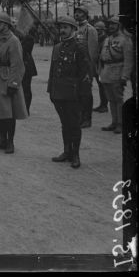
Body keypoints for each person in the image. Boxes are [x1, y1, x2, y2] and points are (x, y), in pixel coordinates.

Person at [0, 12, 28, 154]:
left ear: (7, 25)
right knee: (1, 112)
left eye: (0, 23)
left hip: (7, 77)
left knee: (9, 112)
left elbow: (17, 65)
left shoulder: (13, 40)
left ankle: (10, 142)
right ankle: (2, 139)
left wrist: (13, 84)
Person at [48, 16, 90, 169]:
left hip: (73, 94)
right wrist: (51, 91)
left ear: (73, 29)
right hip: (58, 93)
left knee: (74, 124)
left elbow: (85, 74)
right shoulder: (58, 47)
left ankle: (75, 154)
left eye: (66, 27)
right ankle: (66, 151)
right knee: (64, 124)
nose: (63, 30)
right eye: (61, 28)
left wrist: (83, 96)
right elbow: (53, 71)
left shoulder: (79, 47)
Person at [99, 16, 134, 135]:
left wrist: (125, 76)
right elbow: (102, 57)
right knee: (111, 100)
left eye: (113, 24)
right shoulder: (107, 39)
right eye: (109, 24)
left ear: (119, 25)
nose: (111, 26)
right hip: (106, 73)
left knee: (118, 100)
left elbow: (128, 60)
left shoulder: (125, 40)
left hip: (118, 72)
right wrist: (100, 72)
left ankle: (121, 124)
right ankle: (114, 122)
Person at [74, 6, 99, 128]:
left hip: (86, 66)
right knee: (77, 93)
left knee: (86, 93)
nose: (77, 14)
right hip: (75, 66)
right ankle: (79, 116)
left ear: (85, 15)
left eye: (80, 12)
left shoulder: (90, 30)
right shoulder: (74, 29)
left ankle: (87, 119)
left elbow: (93, 52)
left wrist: (90, 70)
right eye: (76, 13)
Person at [13, 24, 37, 115]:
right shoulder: (16, 37)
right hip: (19, 65)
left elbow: (24, 50)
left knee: (26, 88)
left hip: (27, 66)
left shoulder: (29, 38)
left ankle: (26, 109)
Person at [93, 20, 109, 113]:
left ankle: (104, 106)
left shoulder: (105, 40)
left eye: (99, 30)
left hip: (103, 66)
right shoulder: (97, 39)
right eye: (96, 30)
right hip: (98, 66)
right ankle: (102, 104)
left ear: (103, 30)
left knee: (103, 87)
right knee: (100, 86)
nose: (97, 31)